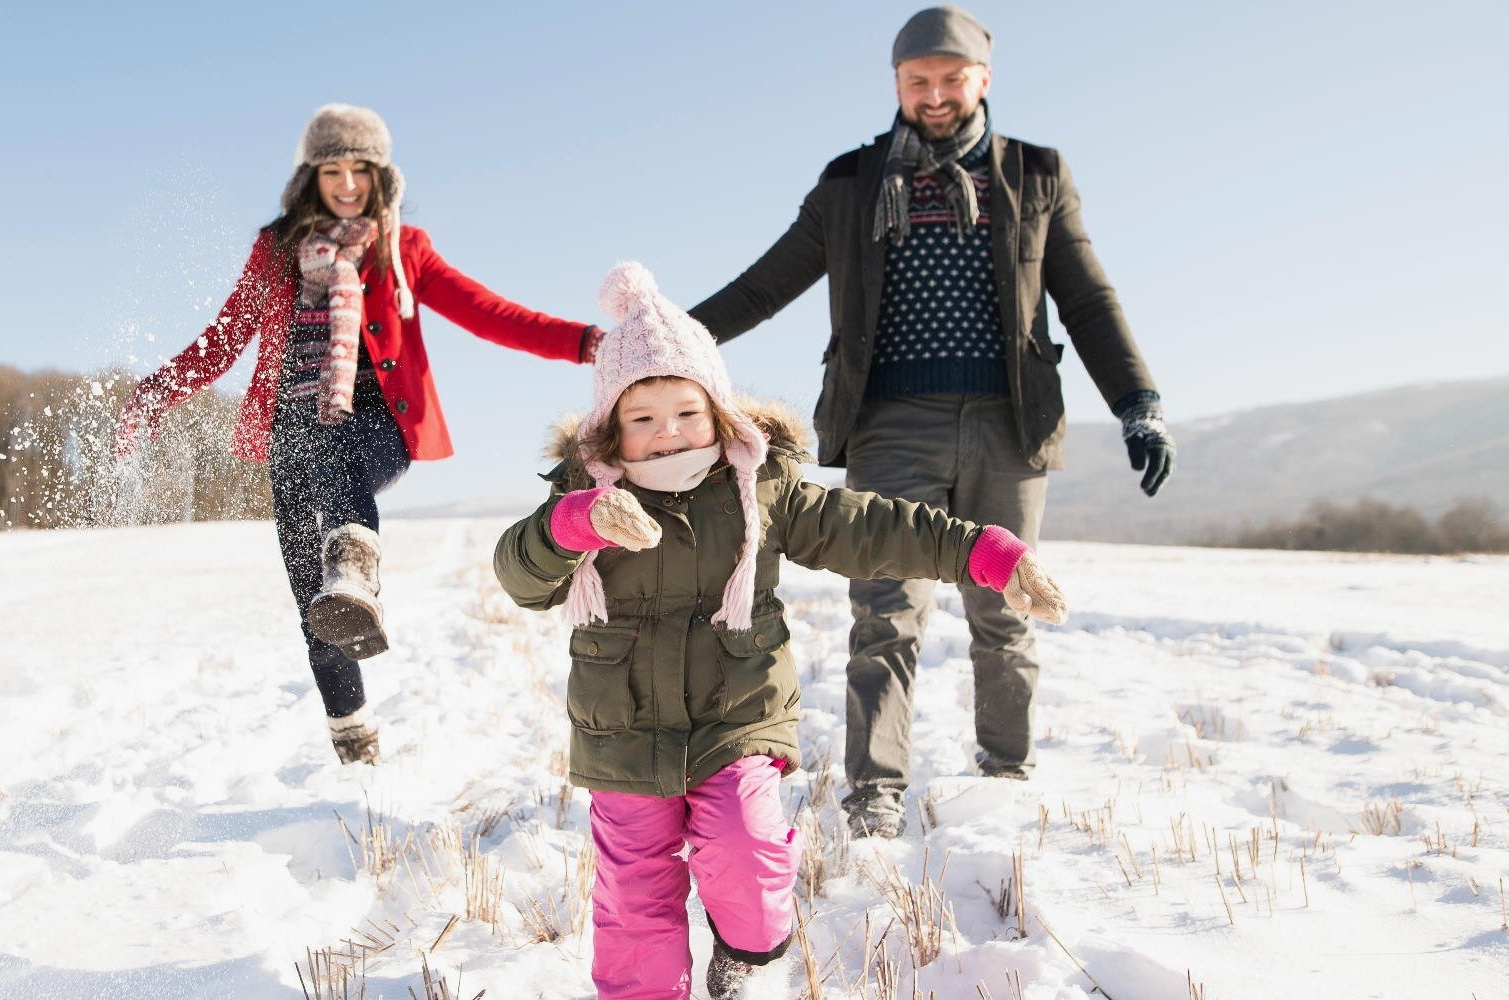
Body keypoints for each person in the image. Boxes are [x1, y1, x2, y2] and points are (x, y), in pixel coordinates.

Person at [494, 262, 1068, 999]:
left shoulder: (760, 485)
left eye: (686, 410)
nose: (667, 431)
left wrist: (984, 553)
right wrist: (576, 525)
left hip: (739, 711)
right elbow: (520, 574)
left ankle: (747, 951)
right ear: (610, 429)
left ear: (719, 412)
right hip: (623, 729)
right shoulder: (584, 495)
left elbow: (869, 527)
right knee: (634, 899)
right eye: (642, 418)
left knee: (747, 848)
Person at [685, 5, 1176, 835]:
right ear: (897, 84)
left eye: (952, 78)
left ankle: (1007, 775)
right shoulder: (851, 184)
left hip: (1008, 425)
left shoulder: (1036, 174)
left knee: (1006, 604)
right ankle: (876, 794)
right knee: (886, 610)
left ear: (983, 79)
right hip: (889, 424)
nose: (936, 95)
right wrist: (663, 341)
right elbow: (765, 287)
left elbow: (1087, 298)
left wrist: (1138, 403)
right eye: (919, 81)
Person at [114, 104, 601, 766]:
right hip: (290, 428)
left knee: (337, 466)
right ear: (310, 177)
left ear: (381, 177)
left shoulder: (404, 249)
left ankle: (356, 570)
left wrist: (583, 342)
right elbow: (228, 335)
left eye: (360, 170)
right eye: (332, 170)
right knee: (314, 597)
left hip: (376, 422)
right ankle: (353, 735)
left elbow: (489, 312)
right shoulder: (276, 249)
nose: (346, 184)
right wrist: (157, 391)